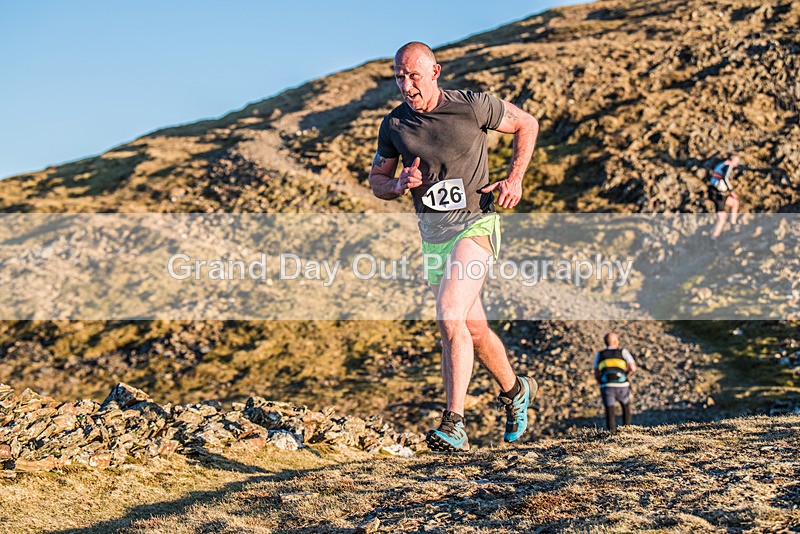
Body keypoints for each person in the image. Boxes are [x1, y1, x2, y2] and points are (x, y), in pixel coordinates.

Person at [368, 42, 540, 451]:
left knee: (448, 315)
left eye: (412, 75)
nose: (405, 84)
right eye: (398, 76)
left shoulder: (472, 107)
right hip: (434, 237)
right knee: (473, 330)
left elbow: (527, 124)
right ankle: (516, 390)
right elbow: (377, 180)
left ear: (435, 71)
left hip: (475, 225)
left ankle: (454, 424)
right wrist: (395, 186)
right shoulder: (394, 126)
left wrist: (514, 177)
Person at [593, 332, 637, 432]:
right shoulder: (623, 352)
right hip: (622, 385)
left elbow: (596, 372)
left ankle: (611, 433)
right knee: (626, 407)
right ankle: (627, 430)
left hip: (607, 386)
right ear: (615, 341)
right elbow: (632, 368)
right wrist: (626, 375)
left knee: (610, 411)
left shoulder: (600, 354)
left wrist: (601, 382)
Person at [708, 155, 740, 239]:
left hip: (717, 193)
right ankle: (713, 237)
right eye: (736, 162)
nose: (736, 165)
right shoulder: (728, 165)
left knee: (735, 203)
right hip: (717, 194)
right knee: (722, 218)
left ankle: (733, 224)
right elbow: (725, 178)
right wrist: (732, 191)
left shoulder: (721, 164)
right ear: (732, 160)